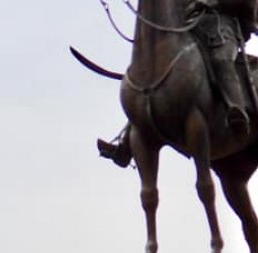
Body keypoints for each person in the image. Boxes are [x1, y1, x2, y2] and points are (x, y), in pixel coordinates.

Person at [98, 0, 258, 167]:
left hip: (221, 26)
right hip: (185, 28)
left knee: (221, 60)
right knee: (154, 76)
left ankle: (237, 110)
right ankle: (126, 143)